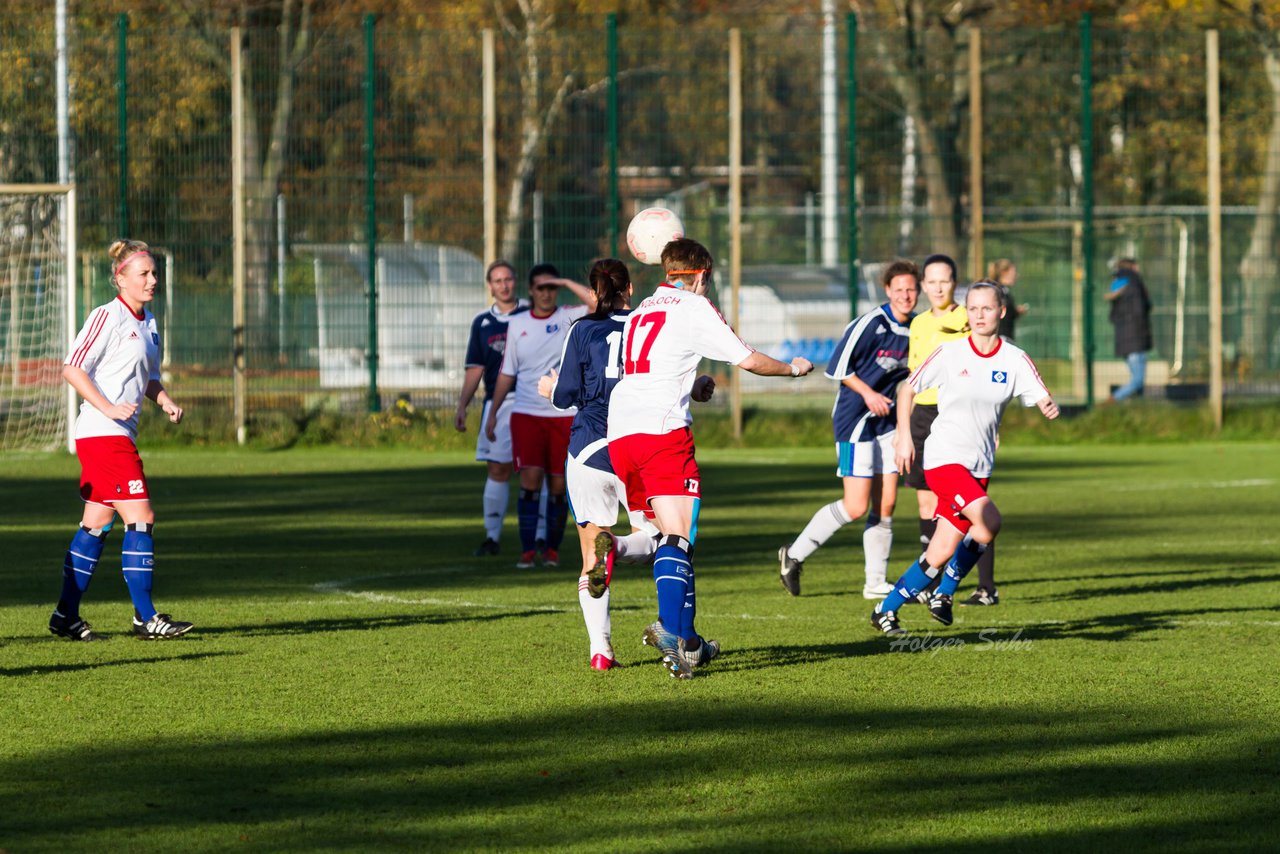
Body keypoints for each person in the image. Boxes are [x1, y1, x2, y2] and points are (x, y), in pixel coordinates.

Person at [607, 238, 814, 678]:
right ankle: (675, 638)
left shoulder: (642, 309)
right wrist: (794, 369)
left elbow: (655, 369)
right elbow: (749, 360)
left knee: (666, 537)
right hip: (662, 435)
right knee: (680, 538)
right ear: (701, 275)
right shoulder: (695, 307)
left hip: (621, 433)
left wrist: (693, 386)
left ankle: (690, 643)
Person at [870, 281, 1059, 636]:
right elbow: (907, 388)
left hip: (980, 465)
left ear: (1001, 312)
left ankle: (885, 609)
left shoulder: (1014, 359)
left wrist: (1049, 404)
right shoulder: (951, 353)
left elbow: (1040, 394)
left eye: (987, 308)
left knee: (941, 550)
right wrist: (905, 436)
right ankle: (945, 592)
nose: (979, 315)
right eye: (973, 309)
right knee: (990, 521)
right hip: (943, 459)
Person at [539, 258, 698, 671]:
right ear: (629, 289)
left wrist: (548, 388)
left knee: (590, 553)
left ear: (594, 293)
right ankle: (623, 549)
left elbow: (565, 395)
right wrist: (696, 386)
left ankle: (601, 652)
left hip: (588, 449)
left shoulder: (582, 329)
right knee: (661, 539)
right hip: (635, 445)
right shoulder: (646, 324)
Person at [50, 239, 193, 641]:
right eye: (144, 273)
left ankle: (65, 616)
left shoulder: (149, 323)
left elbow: (147, 378)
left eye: (153, 272)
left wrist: (164, 400)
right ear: (121, 279)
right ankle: (146, 618)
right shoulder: (107, 316)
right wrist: (109, 407)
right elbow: (72, 369)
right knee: (142, 517)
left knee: (95, 525)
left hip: (117, 434)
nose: (153, 279)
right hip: (102, 434)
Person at [776, 259, 918, 600]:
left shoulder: (918, 328)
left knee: (887, 503)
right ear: (887, 290)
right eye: (898, 289)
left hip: (888, 421)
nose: (905, 295)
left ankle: (875, 583)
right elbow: (838, 366)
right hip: (855, 420)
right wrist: (869, 394)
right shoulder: (871, 323)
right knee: (855, 506)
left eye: (911, 289)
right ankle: (793, 554)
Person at [486, 263, 595, 569]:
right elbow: (507, 373)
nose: (547, 293)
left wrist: (564, 280)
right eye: (541, 288)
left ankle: (552, 550)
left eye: (552, 288)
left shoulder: (568, 316)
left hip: (563, 413)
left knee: (559, 485)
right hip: (527, 414)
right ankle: (527, 550)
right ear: (531, 291)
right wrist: (493, 413)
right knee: (530, 480)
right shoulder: (517, 324)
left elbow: (597, 302)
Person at [906, 254, 999, 607]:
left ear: (954, 283)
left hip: (960, 414)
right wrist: (904, 430)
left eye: (944, 280)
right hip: (922, 416)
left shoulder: (970, 317)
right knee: (928, 502)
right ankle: (930, 582)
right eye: (931, 281)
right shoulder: (918, 325)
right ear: (924, 286)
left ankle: (985, 586)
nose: (938, 287)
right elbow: (912, 378)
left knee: (976, 505)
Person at [455, 260, 529, 556]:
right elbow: (475, 367)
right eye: (497, 281)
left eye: (508, 279)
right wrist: (462, 405)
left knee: (534, 470)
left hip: (531, 401)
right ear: (490, 286)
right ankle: (492, 538)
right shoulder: (482, 322)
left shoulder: (531, 313)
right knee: (497, 469)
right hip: (496, 406)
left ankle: (539, 542)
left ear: (515, 281)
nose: (504, 285)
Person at [1105, 257, 1152, 402]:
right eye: (1136, 266)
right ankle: (1112, 401)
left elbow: (1113, 317)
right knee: (1137, 381)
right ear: (1132, 267)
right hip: (1136, 339)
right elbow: (1142, 309)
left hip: (1124, 341)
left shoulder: (1117, 284)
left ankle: (1130, 407)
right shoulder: (1135, 285)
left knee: (1136, 381)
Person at [987, 258, 1028, 341]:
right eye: (1013, 272)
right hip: (1001, 337)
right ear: (1004, 273)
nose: (1016, 275)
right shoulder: (997, 292)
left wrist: (1015, 312)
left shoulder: (1004, 291)